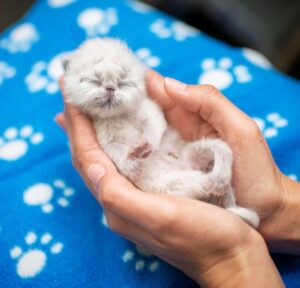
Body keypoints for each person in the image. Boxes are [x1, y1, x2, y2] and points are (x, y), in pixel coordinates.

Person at [55, 70, 300, 288]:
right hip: (160, 179)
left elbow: (155, 121)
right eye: (94, 81)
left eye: (123, 81)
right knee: (172, 185)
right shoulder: (101, 127)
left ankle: (224, 191)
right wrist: (276, 211)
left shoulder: (142, 104)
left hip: (180, 153)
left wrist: (231, 263)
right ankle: (217, 193)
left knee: (220, 149)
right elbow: (123, 164)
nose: (110, 90)